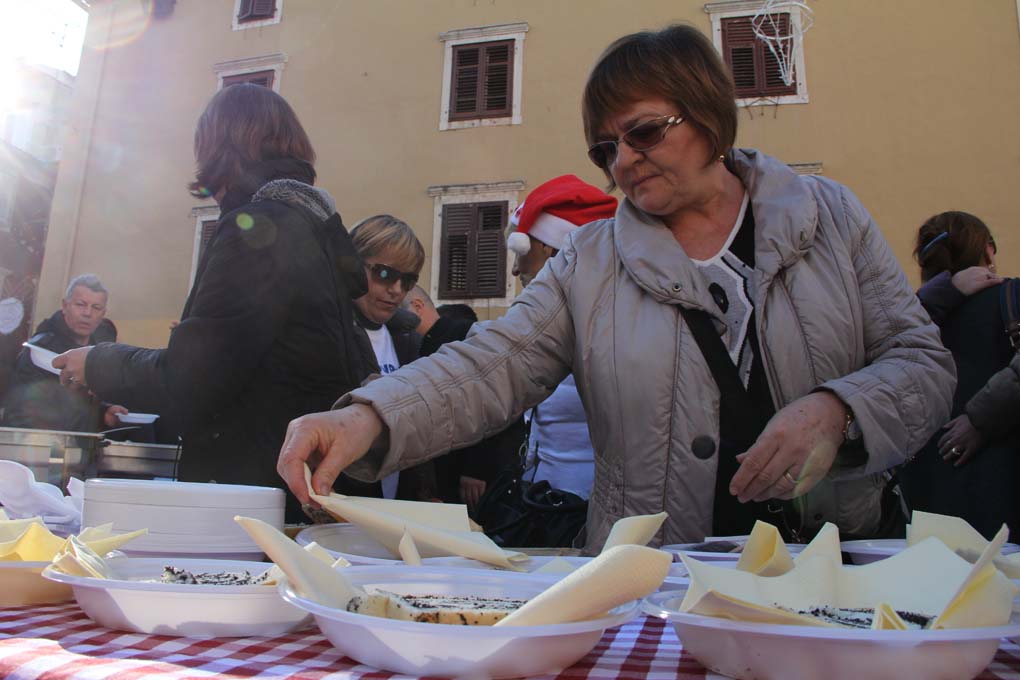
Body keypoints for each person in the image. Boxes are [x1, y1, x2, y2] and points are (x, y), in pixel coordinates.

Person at [278, 25, 954, 551]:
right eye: (606, 149)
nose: (624, 160)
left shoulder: (831, 216)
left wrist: (839, 412)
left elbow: (923, 364)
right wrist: (368, 417)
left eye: (645, 132)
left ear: (708, 114)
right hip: (656, 583)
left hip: (834, 568)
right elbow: (491, 363)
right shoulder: (589, 261)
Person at [53, 84, 371, 521]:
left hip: (253, 494)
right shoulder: (313, 229)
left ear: (218, 150)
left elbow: (194, 377)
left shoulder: (258, 228)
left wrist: (97, 363)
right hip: (301, 488)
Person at [900, 211, 1019, 539]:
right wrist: (980, 419)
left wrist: (940, 293)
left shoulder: (913, 321)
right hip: (1005, 500)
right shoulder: (1013, 297)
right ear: (989, 251)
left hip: (925, 505)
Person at [506, 174, 614, 503]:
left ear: (548, 247)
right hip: (540, 500)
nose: (515, 270)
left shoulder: (610, 326)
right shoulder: (530, 320)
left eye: (520, 253)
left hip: (590, 510)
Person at [400, 284, 523, 509]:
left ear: (417, 307)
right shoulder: (423, 344)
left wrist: (476, 467)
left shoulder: (465, 336)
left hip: (475, 478)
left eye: (398, 312)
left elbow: (496, 399)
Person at [346, 215, 437, 501]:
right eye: (384, 274)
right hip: (345, 502)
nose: (396, 289)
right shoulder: (330, 335)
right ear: (352, 265)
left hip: (397, 504)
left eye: (407, 280)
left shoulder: (411, 340)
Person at [2, 274, 126, 432]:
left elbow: (83, 405)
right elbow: (21, 413)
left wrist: (103, 413)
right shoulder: (40, 352)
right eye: (80, 304)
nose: (87, 313)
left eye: (96, 307)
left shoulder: (98, 351)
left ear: (103, 313)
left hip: (82, 443)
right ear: (65, 305)